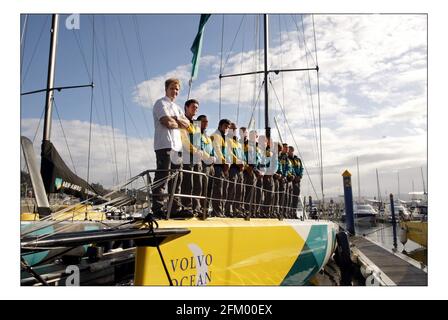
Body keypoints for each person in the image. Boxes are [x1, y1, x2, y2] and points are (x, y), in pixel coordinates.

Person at [151, 78, 190, 219]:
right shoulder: (160, 103)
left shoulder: (178, 108)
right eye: (172, 88)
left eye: (177, 89)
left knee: (177, 179)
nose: (175, 91)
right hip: (164, 145)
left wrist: (176, 119)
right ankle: (158, 208)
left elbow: (187, 125)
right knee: (163, 177)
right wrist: (177, 120)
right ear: (166, 89)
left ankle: (175, 208)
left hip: (177, 147)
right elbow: (167, 122)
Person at [180, 99, 202, 215]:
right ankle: (187, 207)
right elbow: (184, 139)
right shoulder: (183, 121)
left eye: (197, 107)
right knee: (188, 182)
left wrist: (201, 152)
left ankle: (196, 208)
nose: (195, 109)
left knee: (198, 183)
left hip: (197, 158)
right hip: (186, 155)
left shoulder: (197, 125)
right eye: (193, 107)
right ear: (186, 107)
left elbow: (199, 142)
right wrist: (195, 151)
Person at [210, 119, 231, 217]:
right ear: (220, 125)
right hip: (218, 166)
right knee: (218, 190)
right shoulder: (216, 135)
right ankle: (216, 211)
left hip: (224, 167)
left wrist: (228, 163)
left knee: (223, 190)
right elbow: (217, 149)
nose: (227, 129)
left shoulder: (224, 138)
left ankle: (220, 211)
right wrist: (225, 162)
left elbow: (227, 152)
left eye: (228, 127)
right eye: (225, 126)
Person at [224, 122, 245, 217]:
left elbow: (242, 155)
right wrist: (238, 162)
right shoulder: (226, 139)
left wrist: (243, 163)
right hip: (232, 168)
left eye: (235, 129)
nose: (234, 130)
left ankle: (237, 210)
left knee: (239, 191)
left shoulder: (238, 143)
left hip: (240, 170)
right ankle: (228, 211)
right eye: (232, 128)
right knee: (231, 190)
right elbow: (228, 152)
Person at [196, 114, 216, 216]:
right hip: (203, 163)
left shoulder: (207, 137)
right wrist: (208, 158)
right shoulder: (196, 134)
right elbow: (199, 148)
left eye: (207, 121)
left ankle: (206, 209)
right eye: (204, 121)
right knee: (202, 187)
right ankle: (200, 209)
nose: (206, 123)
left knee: (209, 188)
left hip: (210, 165)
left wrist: (213, 157)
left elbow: (212, 150)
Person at [288, 146, 303, 218]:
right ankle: (289, 213)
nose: (288, 152)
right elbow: (290, 169)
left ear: (293, 151)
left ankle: (294, 212)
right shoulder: (287, 159)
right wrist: (294, 176)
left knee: (295, 198)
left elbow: (301, 168)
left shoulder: (298, 159)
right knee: (289, 197)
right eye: (288, 151)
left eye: (290, 151)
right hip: (291, 180)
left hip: (297, 181)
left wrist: (300, 176)